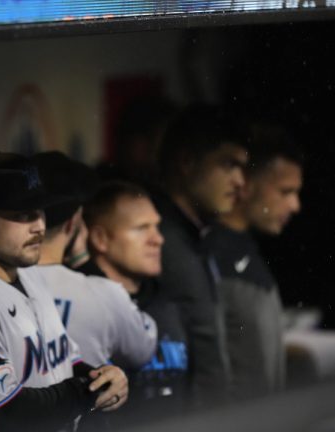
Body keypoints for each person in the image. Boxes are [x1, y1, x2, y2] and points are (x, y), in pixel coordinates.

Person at [0, 153, 129, 432]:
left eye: (40, 212)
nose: (39, 226)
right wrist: (87, 393)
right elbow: (8, 411)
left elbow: (66, 360)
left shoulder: (29, 274)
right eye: (21, 215)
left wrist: (102, 378)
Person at [152, 105, 248, 407]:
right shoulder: (158, 240)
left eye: (242, 168)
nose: (240, 182)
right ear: (187, 162)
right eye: (228, 165)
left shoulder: (195, 235)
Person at [26, 151, 157, 369]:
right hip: (82, 402)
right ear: (74, 222)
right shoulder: (103, 294)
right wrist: (85, 262)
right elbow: (144, 349)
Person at [204, 125, 303, 399]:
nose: (295, 205)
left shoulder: (245, 250)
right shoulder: (211, 256)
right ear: (245, 184)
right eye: (285, 191)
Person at [80, 180, 188, 419]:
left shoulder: (166, 301)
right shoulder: (81, 307)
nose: (157, 239)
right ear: (100, 239)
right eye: (141, 228)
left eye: (156, 227)